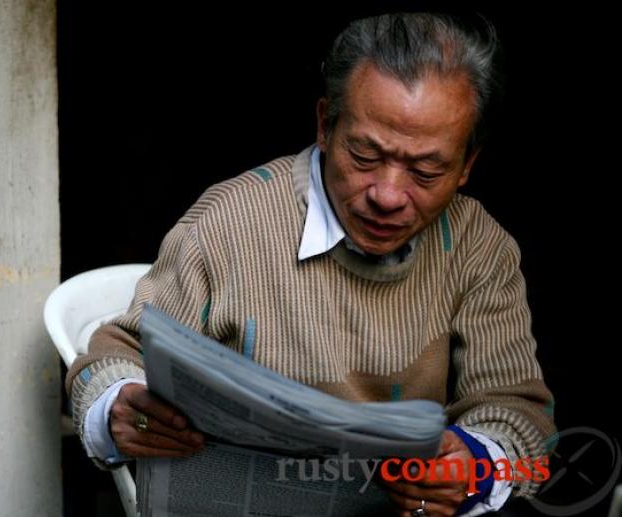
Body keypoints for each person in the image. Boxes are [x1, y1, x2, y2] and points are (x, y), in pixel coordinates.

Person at [65, 11, 555, 517]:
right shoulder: (229, 222)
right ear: (325, 124)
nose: (387, 195)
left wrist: (475, 466)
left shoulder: (479, 248)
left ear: (467, 166)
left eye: (426, 169)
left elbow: (523, 419)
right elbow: (111, 356)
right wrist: (120, 406)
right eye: (364, 155)